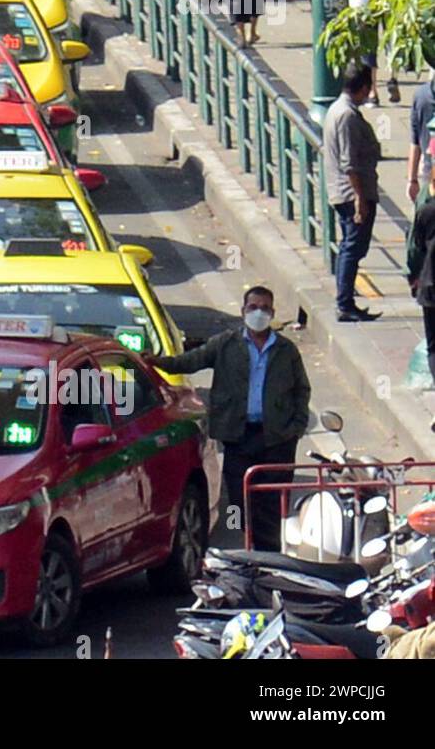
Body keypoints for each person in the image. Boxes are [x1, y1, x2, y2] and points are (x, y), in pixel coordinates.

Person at [144, 287, 310, 551]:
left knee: (271, 501)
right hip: (238, 436)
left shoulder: (286, 350)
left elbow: (302, 390)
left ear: (273, 313)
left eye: (265, 308)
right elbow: (188, 362)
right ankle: (239, 546)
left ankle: (269, 557)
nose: (259, 313)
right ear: (243, 311)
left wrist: (295, 428)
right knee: (236, 500)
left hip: (277, 440)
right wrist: (154, 363)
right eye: (253, 307)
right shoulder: (226, 344)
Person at [323, 62, 382, 322]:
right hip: (351, 192)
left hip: (347, 189)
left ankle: (346, 301)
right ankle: (344, 302)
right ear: (363, 88)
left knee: (353, 246)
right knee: (352, 247)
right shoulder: (346, 115)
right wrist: (359, 198)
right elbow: (349, 161)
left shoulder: (339, 110)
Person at [407, 146, 435, 381]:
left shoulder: (426, 212)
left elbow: (415, 248)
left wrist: (412, 276)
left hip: (430, 286)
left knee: (433, 347)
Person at [407, 91, 435, 202]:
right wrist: (412, 179)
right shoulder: (422, 97)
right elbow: (416, 141)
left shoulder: (421, 97)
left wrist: (412, 179)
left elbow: (415, 141)